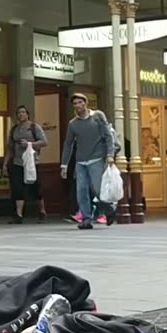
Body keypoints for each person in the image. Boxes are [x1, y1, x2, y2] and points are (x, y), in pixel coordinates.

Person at [59, 93, 113, 230]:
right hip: (81, 161)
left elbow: (108, 136)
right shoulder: (73, 124)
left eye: (80, 102)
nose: (77, 105)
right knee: (81, 191)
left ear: (85, 103)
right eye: (75, 103)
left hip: (96, 158)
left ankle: (109, 208)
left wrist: (110, 154)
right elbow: (68, 144)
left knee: (97, 188)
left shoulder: (98, 116)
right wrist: (64, 165)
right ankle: (86, 219)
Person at [4, 104, 46, 223]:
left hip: (32, 162)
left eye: (23, 112)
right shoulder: (14, 130)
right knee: (17, 188)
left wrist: (29, 144)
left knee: (35, 187)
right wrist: (5, 164)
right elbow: (10, 148)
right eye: (19, 113)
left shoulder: (34, 127)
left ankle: (42, 211)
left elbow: (44, 142)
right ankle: (19, 215)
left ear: (27, 114)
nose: (21, 114)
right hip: (18, 162)